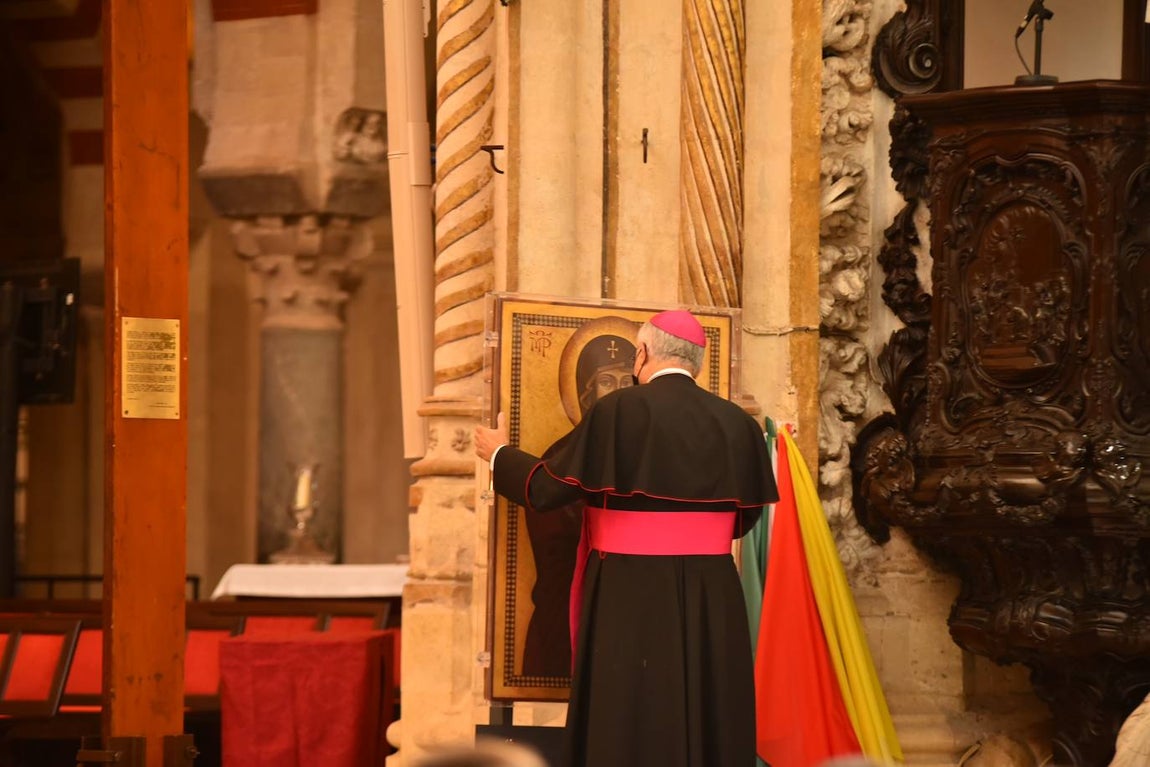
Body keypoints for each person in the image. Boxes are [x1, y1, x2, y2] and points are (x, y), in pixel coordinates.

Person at [476, 309, 778, 767]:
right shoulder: (738, 424)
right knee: (706, 701)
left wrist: (499, 453)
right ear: (697, 361)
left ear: (642, 353)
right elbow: (745, 518)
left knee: (629, 714)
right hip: (711, 591)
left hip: (627, 591)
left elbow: (547, 489)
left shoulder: (617, 411)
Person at [522, 331, 636, 678]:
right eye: (606, 381)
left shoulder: (644, 449)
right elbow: (552, 536)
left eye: (626, 381)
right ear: (586, 394)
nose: (617, 391)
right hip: (572, 606)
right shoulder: (561, 456)